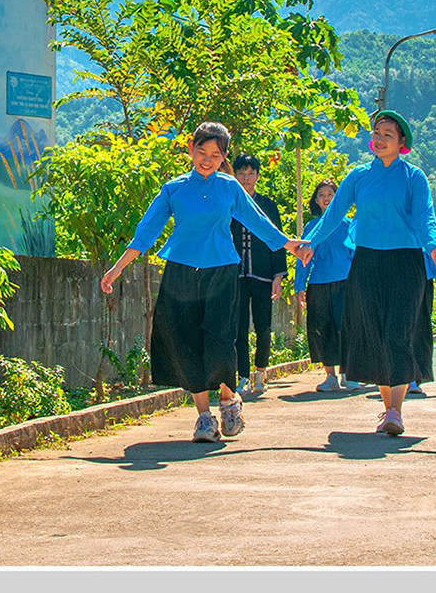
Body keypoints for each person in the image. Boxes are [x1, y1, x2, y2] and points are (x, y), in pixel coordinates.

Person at [99, 122, 297, 442]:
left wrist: (289, 245)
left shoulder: (230, 187)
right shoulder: (174, 189)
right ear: (191, 149)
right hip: (180, 271)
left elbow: (257, 221)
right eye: (202, 152)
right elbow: (146, 231)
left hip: (221, 271)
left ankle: (229, 400)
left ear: (223, 157)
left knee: (220, 341)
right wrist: (117, 268)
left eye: (215, 155)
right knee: (186, 342)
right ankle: (204, 417)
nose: (207, 159)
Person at [294, 111, 436, 436]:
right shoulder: (358, 177)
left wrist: (435, 248)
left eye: (388, 133)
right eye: (376, 132)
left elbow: (424, 217)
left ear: (402, 143)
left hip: (405, 263)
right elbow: (332, 216)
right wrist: (311, 243)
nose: (380, 137)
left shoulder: (413, 177)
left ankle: (394, 410)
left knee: (398, 332)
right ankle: (389, 407)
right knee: (375, 332)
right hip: (366, 264)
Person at [229, 152, 287, 399]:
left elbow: (278, 240)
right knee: (239, 329)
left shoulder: (268, 205)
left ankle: (261, 373)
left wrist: (278, 275)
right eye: (241, 173)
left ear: (257, 175)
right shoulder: (228, 203)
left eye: (250, 173)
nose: (245, 177)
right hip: (236, 276)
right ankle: (243, 376)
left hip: (263, 275)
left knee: (264, 328)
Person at [293, 179, 355, 391]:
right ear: (316, 200)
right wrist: (299, 286)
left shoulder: (348, 225)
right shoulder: (312, 227)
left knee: (345, 327)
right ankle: (330, 376)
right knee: (322, 328)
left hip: (345, 283)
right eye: (321, 195)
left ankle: (348, 373)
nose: (326, 198)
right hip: (318, 284)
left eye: (330, 194)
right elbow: (302, 258)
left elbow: (357, 256)